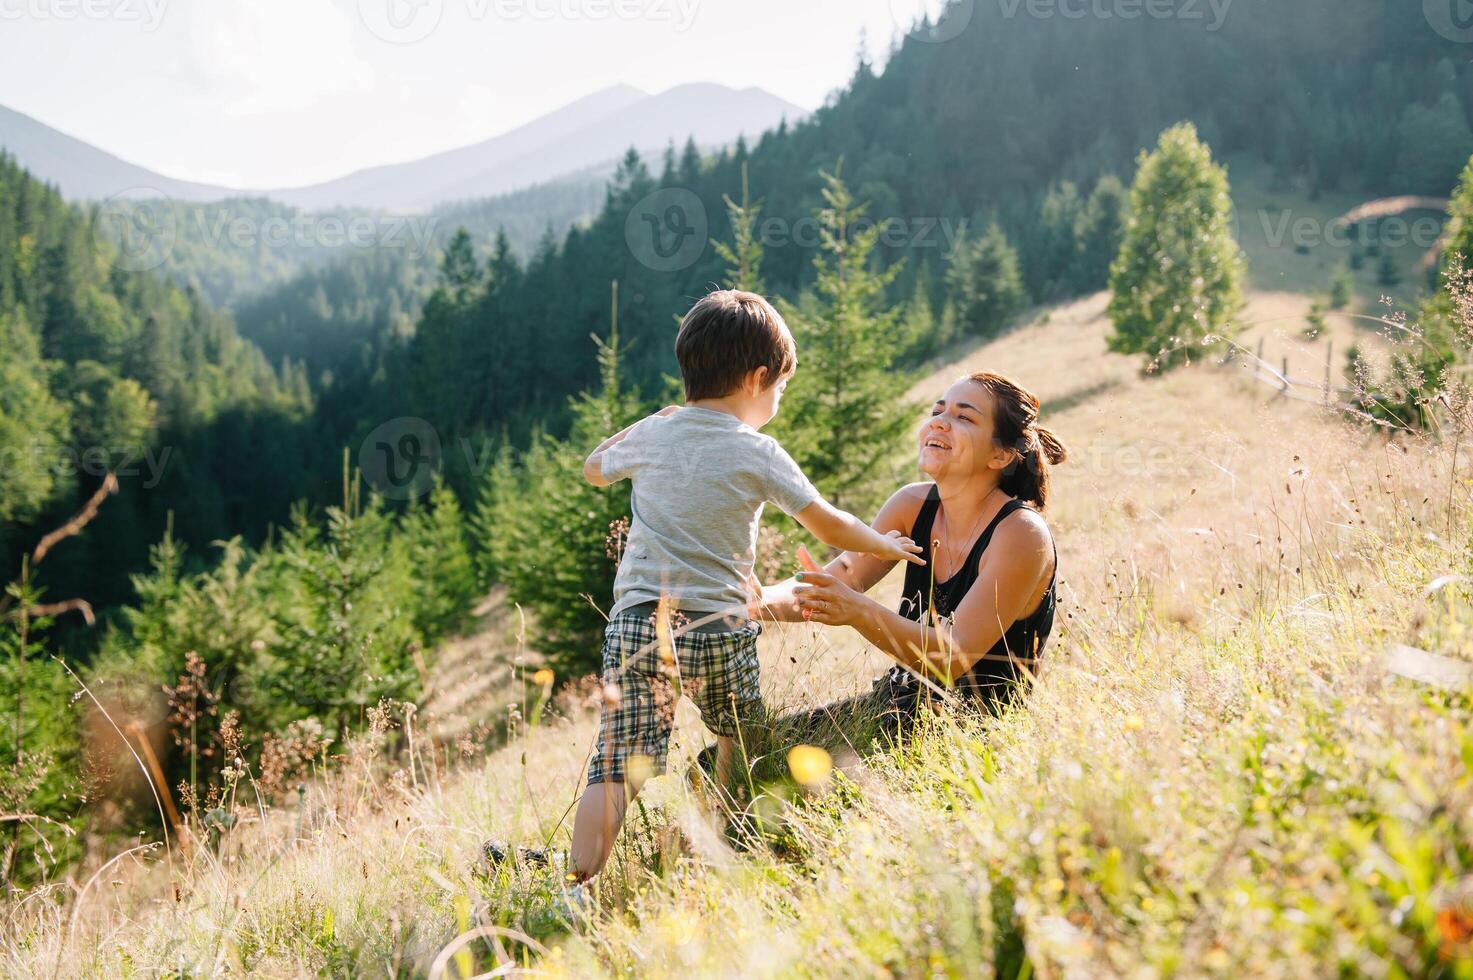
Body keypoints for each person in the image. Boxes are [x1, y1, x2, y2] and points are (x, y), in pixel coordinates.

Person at [566, 289, 925, 883]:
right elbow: (827, 522)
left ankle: (577, 884)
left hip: (638, 625)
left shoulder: (656, 436)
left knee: (615, 765)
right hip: (720, 627)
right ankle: (723, 834)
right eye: (779, 388)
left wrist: (647, 424)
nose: (778, 399)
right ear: (759, 378)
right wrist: (884, 543)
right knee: (740, 733)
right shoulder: (758, 451)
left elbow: (592, 469)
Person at [756, 370, 1066, 750]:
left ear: (1000, 454)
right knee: (720, 763)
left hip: (971, 738)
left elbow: (953, 657)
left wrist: (858, 612)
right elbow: (838, 578)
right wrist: (753, 600)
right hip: (894, 710)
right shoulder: (911, 506)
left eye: (963, 417)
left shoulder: (1020, 533)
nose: (939, 421)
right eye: (939, 411)